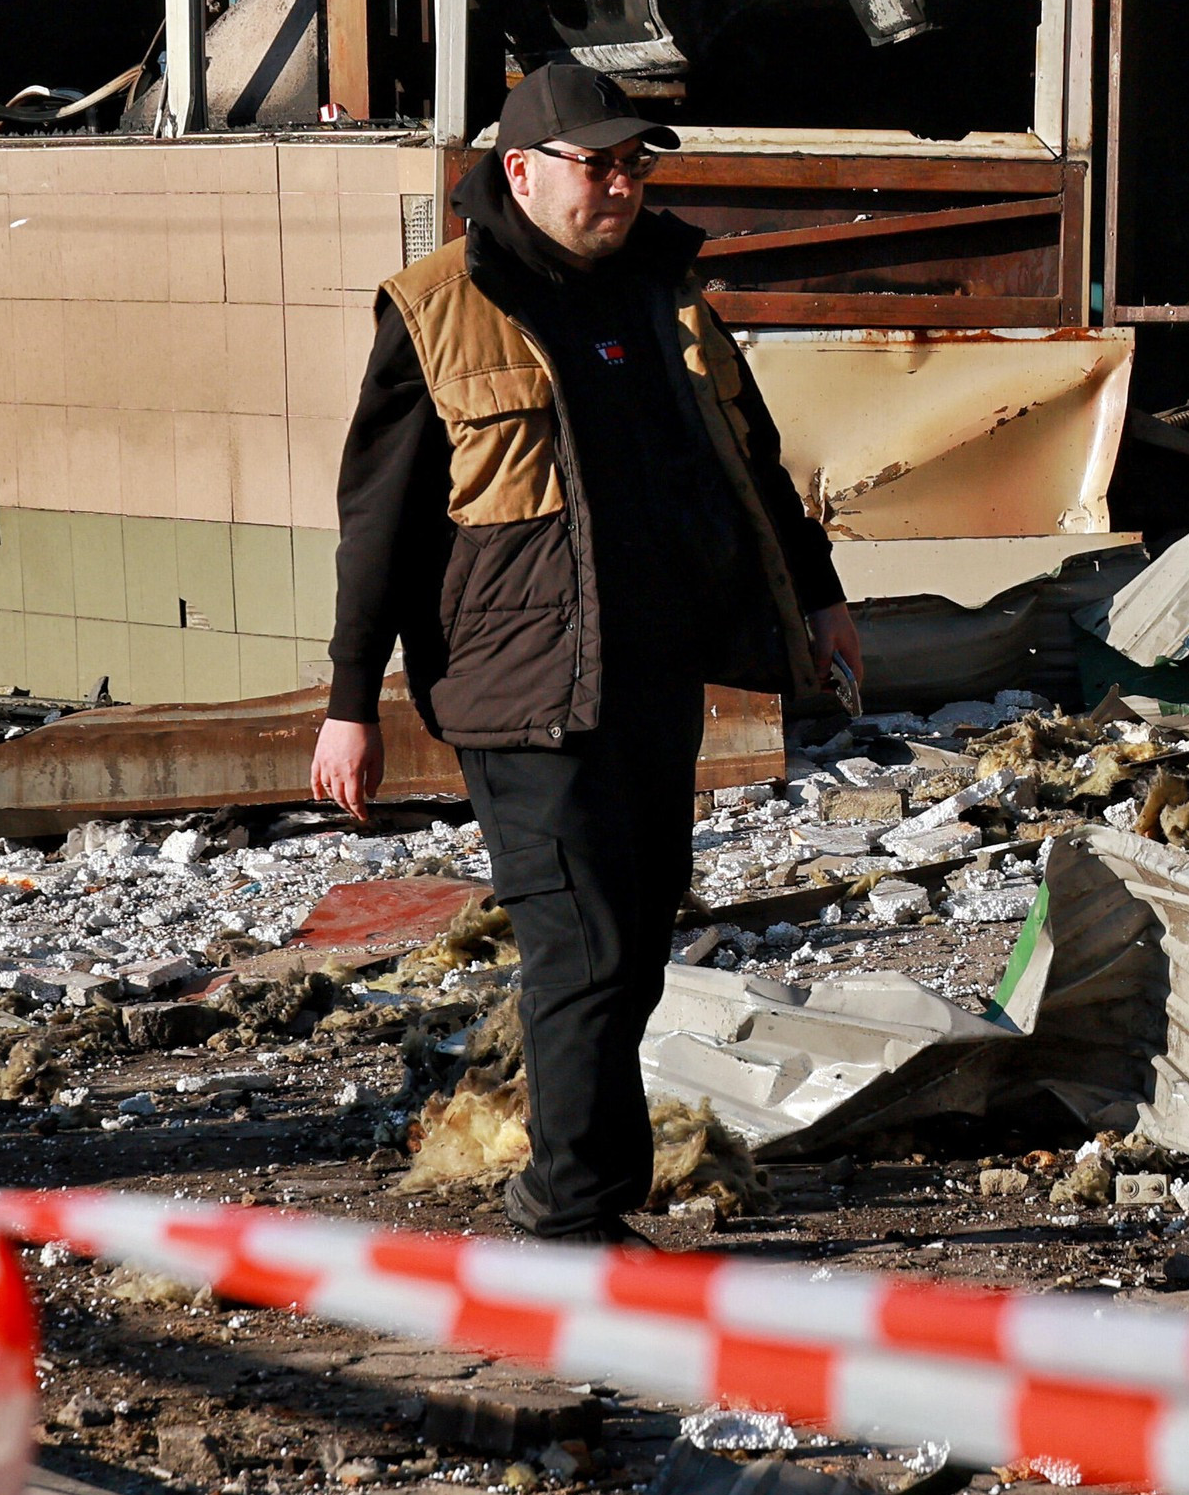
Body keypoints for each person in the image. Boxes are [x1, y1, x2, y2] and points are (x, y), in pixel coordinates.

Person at [311, 61, 862, 1244]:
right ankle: (574, 1211)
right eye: (598, 164)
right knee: (584, 945)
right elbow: (382, 522)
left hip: (651, 675)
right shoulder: (436, 308)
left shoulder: (663, 292)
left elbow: (752, 462)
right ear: (521, 169)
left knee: (643, 929)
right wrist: (350, 699)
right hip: (519, 691)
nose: (622, 185)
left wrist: (818, 600)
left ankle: (579, 1187)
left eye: (636, 163)